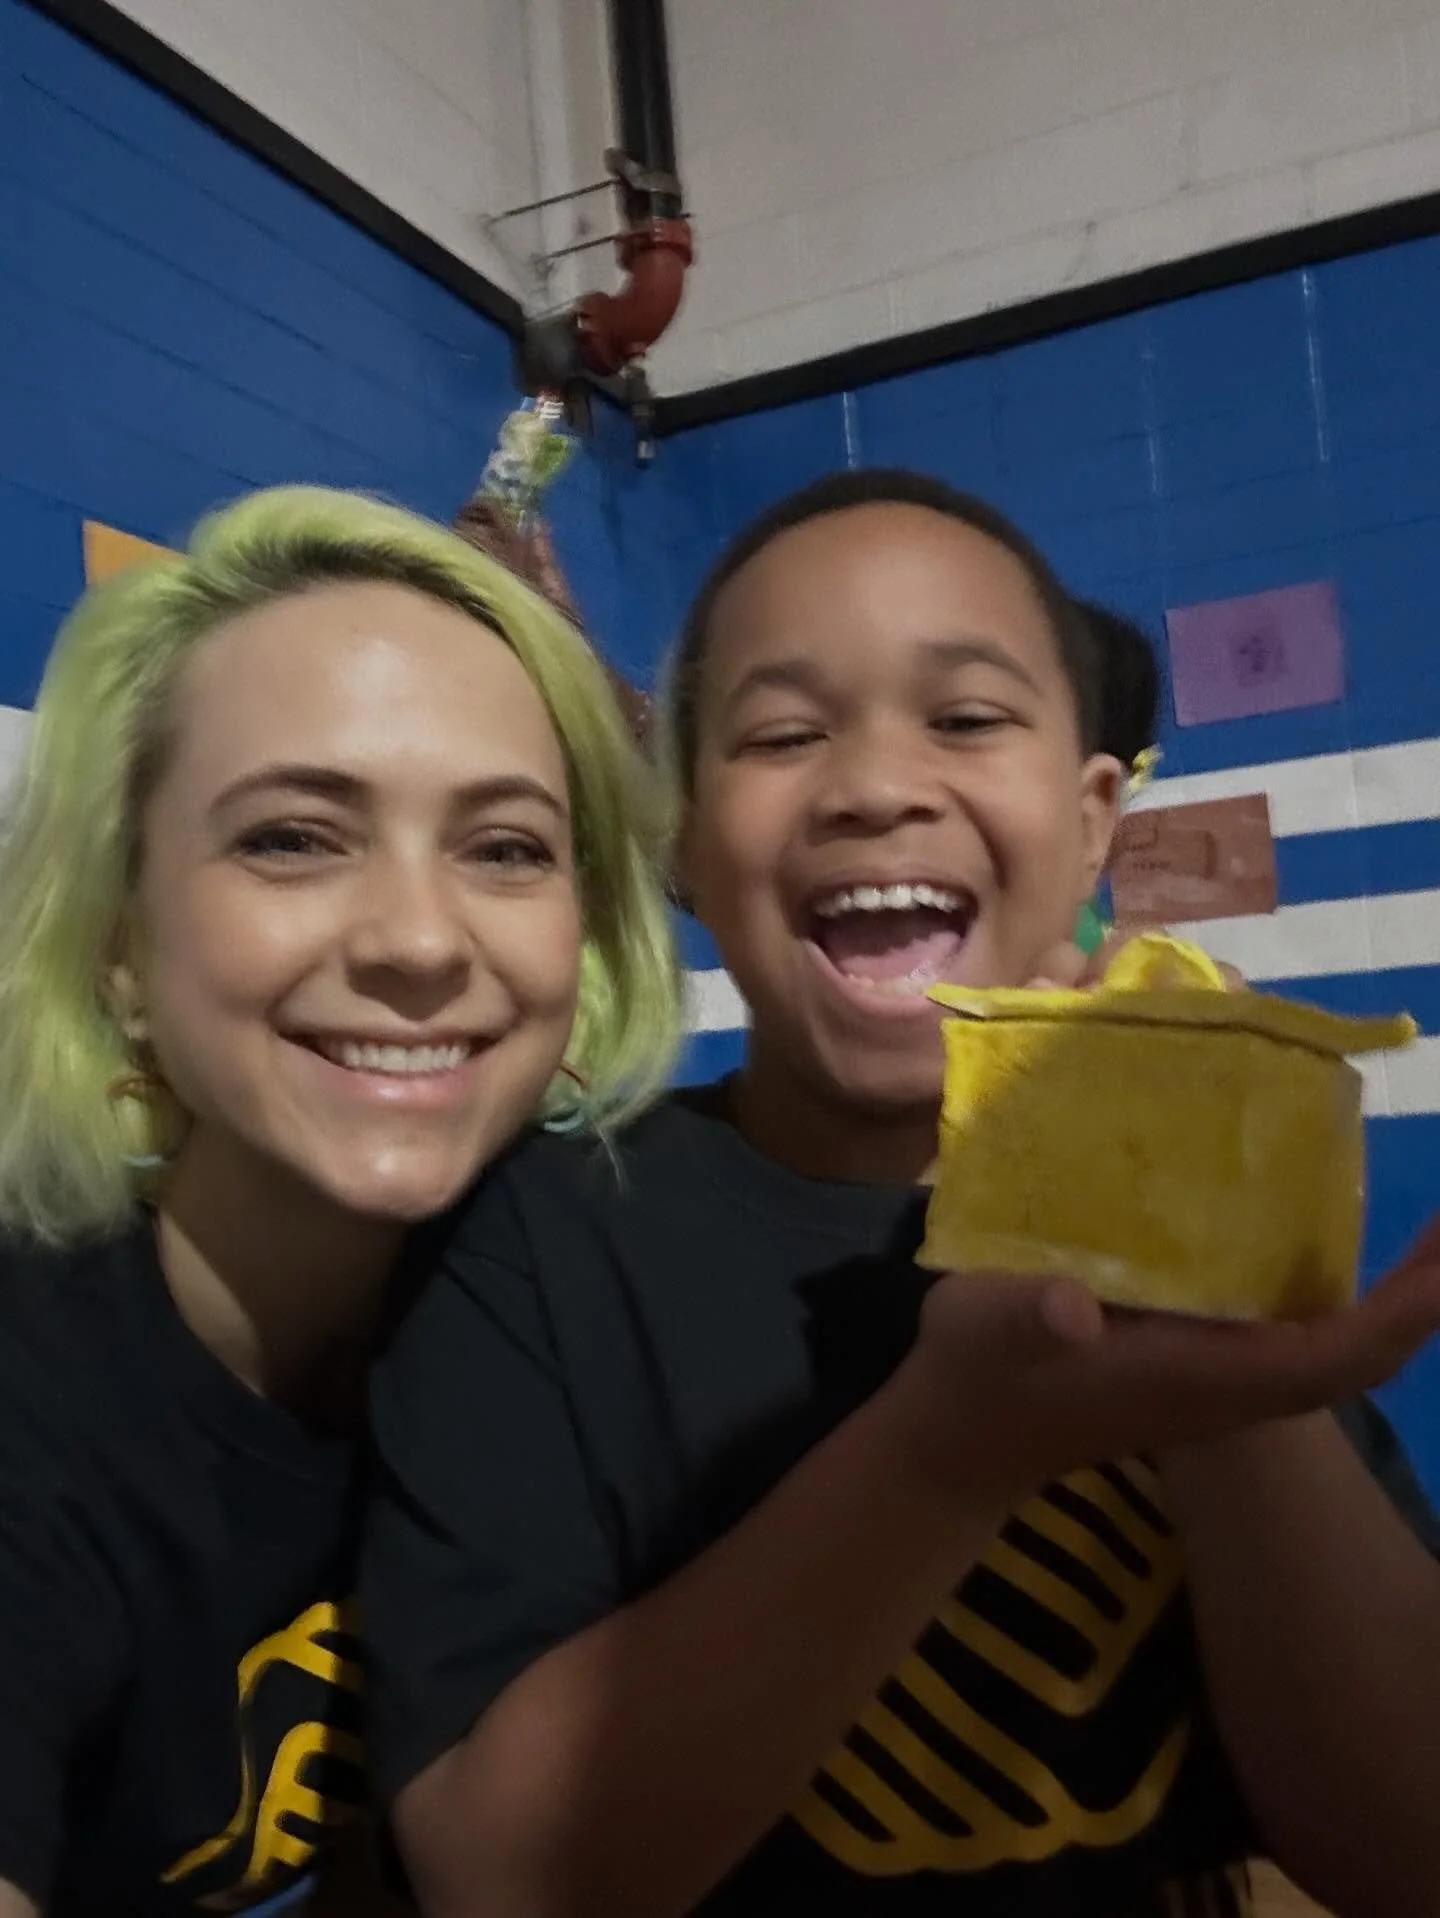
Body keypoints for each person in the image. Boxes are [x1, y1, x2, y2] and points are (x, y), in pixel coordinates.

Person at [363, 469, 1440, 1918]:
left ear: (1093, 817)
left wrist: (1238, 1387)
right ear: (683, 836)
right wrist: (951, 1450)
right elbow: (499, 1877)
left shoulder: (1205, 1215)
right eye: (783, 732)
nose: (874, 785)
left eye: (968, 717)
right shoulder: (538, 1239)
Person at [0, 485, 679, 1918]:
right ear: (121, 942)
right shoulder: (38, 1400)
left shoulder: (607, 1311)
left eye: (505, 848)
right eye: (294, 838)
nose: (420, 940)